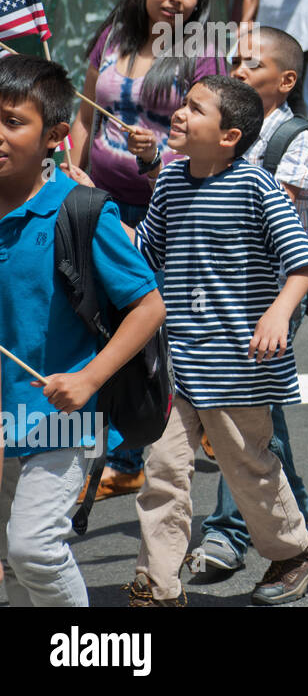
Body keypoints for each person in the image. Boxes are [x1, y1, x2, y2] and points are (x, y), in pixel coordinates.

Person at [126, 75, 308, 605]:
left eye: (195, 108)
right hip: (175, 361)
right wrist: (89, 205)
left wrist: (279, 314)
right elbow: (146, 254)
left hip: (237, 363)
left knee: (249, 469)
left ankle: (296, 552)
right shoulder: (168, 183)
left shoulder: (255, 185)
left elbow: (303, 260)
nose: (179, 114)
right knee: (163, 473)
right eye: (183, 104)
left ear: (229, 135)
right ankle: (158, 585)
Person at [0, 58, 165, 606]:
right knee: (12, 563)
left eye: (11, 122)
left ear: (55, 137)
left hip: (60, 415)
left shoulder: (80, 211)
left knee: (34, 549)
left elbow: (148, 305)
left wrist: (89, 379)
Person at [68, 0, 225, 497]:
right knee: (104, 321)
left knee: (153, 325)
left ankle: (135, 450)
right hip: (100, 205)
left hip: (166, 207)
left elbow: (216, 137)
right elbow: (85, 112)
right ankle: (126, 447)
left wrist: (157, 151)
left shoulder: (203, 53)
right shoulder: (112, 35)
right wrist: (73, 172)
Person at [186, 27, 308, 574]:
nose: (239, 69)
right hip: (225, 295)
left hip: (273, 299)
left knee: (241, 415)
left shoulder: (296, 139)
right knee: (257, 416)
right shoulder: (221, 136)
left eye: (254, 64)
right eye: (236, 60)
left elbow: (271, 222)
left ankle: (228, 531)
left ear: (287, 80)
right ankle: (297, 511)